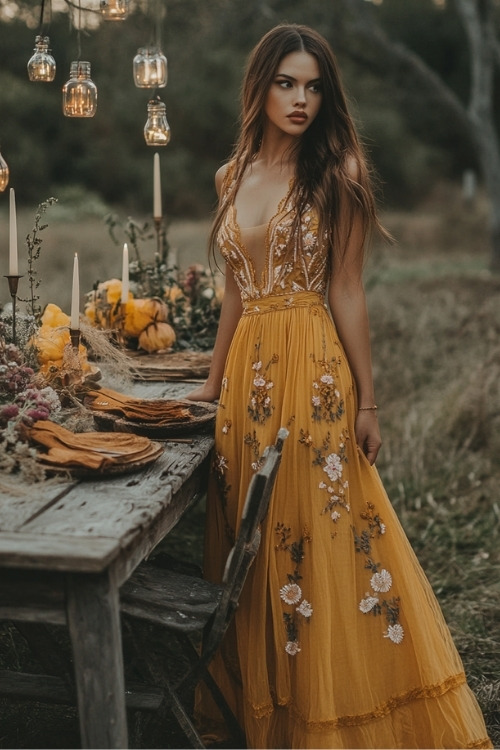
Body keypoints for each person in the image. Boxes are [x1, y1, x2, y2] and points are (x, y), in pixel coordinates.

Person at [186, 23, 492, 749]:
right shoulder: (230, 177)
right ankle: (270, 709)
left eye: (314, 86)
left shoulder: (338, 171)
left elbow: (348, 289)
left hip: (314, 370)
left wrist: (369, 398)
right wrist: (210, 383)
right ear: (259, 87)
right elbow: (235, 291)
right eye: (287, 83)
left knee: (324, 534)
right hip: (247, 381)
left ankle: (340, 713)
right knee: (251, 542)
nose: (301, 99)